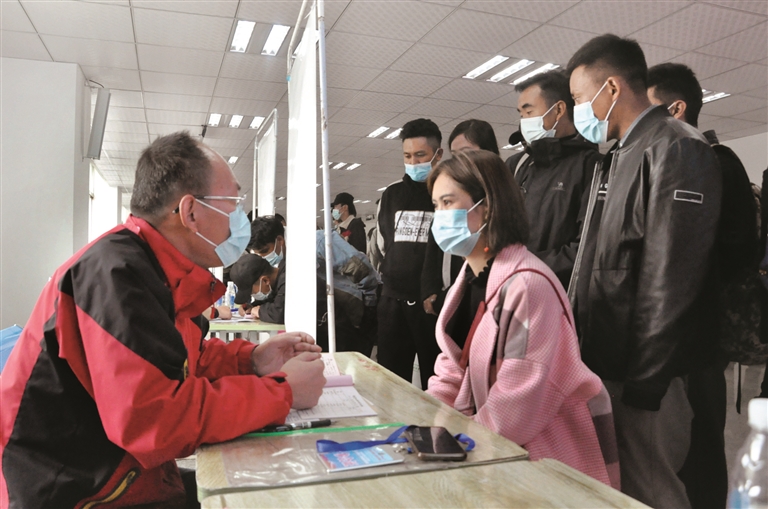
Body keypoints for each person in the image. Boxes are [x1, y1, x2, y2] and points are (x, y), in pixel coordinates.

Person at [0, 132, 325, 508]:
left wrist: (252, 360)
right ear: (191, 213)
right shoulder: (116, 276)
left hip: (125, 473)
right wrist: (283, 391)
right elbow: (155, 422)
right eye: (233, 203)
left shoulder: (158, 270)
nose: (241, 219)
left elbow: (182, 360)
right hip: (73, 492)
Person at [567, 34, 722, 509]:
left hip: (643, 372)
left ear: (612, 87)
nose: (578, 110)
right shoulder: (619, 154)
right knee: (621, 490)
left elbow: (671, 278)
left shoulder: (676, 147)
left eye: (579, 98)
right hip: (609, 359)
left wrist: (647, 381)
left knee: (651, 489)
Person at [426, 150, 618, 489]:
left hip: (541, 457)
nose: (439, 217)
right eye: (436, 206)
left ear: (486, 207)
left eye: (448, 202)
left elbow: (517, 402)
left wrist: (457, 444)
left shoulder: (527, 285)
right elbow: (454, 366)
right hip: (494, 441)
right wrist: (428, 421)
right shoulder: (471, 275)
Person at [647, 62, 758, 509]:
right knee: (671, 446)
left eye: (648, 108)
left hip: (701, 332)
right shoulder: (666, 162)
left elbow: (735, 252)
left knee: (702, 443)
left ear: (676, 108)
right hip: (671, 332)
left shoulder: (716, 162)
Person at [506, 70, 600, 290]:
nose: (524, 121)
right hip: (512, 290)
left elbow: (587, 248)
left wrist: (524, 267)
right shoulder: (519, 165)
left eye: (529, 112)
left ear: (558, 110)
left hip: (559, 293)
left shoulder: (592, 167)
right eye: (521, 114)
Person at [376, 118, 444, 388]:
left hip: (430, 301)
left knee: (435, 378)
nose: (413, 162)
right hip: (392, 300)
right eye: (407, 156)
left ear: (438, 154)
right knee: (390, 380)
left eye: (420, 155)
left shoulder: (446, 194)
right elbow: (384, 244)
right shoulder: (392, 195)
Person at [421, 119, 500, 320]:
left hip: (480, 295)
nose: (460, 162)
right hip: (449, 295)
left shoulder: (497, 202)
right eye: (455, 156)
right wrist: (431, 291)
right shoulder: (451, 197)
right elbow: (433, 252)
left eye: (466, 154)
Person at [242, 215, 287, 322]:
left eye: (265, 251)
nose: (263, 258)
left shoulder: (297, 266)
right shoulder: (283, 264)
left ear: (280, 240)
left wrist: (260, 310)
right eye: (258, 254)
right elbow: (278, 299)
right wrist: (255, 306)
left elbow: (280, 311)